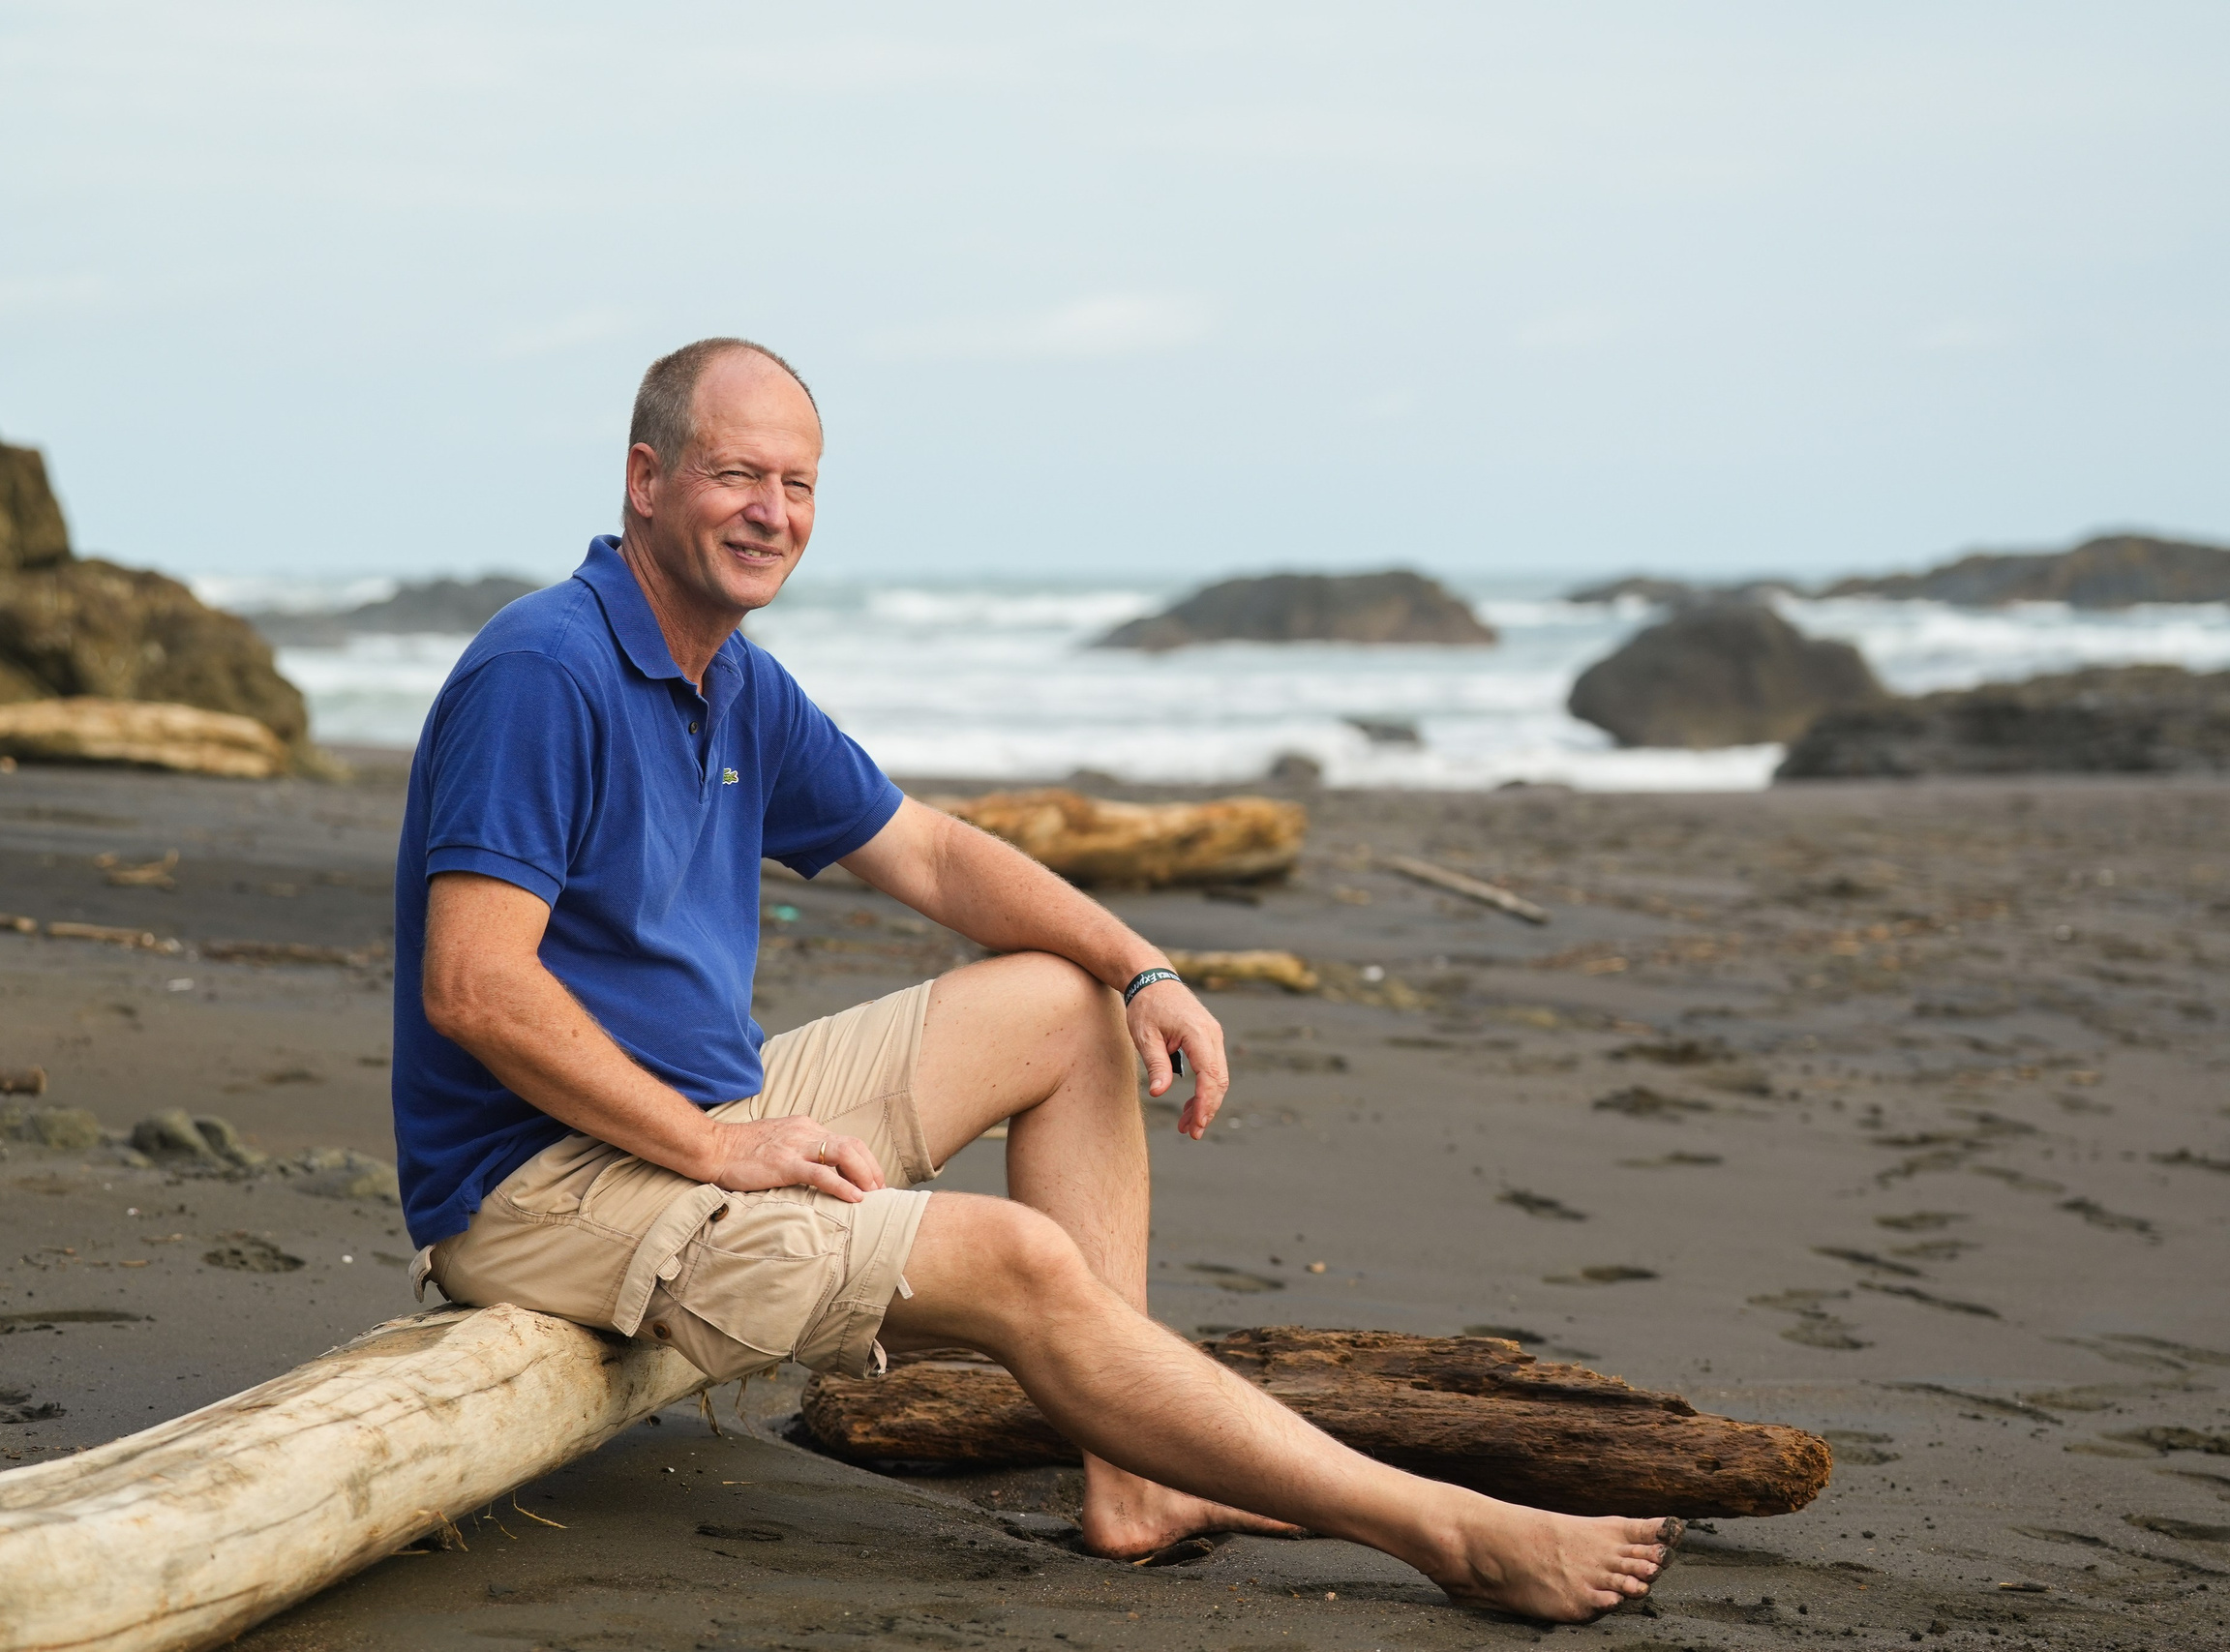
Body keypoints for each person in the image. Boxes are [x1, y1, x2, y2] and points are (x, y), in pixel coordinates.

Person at [392, 337, 1674, 1621]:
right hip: (541, 1184)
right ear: (645, 478)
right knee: (1016, 1260)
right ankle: (1450, 1533)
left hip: (702, 1113)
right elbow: (477, 989)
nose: (773, 513)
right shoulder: (544, 671)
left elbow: (936, 856)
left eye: (800, 484)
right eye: (738, 475)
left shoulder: (734, 679)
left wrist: (1140, 967)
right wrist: (711, 1150)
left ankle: (1136, 1477)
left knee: (1066, 1007)